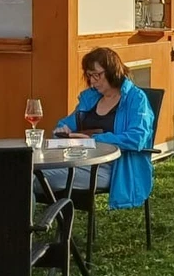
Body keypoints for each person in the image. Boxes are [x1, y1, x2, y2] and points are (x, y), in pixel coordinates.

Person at [48, 47, 156, 209]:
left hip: (114, 168)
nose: (92, 81)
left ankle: (29, 223)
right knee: (28, 176)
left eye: (96, 75)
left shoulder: (136, 99)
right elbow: (68, 123)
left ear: (113, 72)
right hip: (79, 160)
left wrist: (94, 140)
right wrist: (63, 130)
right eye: (89, 75)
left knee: (32, 178)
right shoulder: (90, 98)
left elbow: (137, 138)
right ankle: (36, 221)